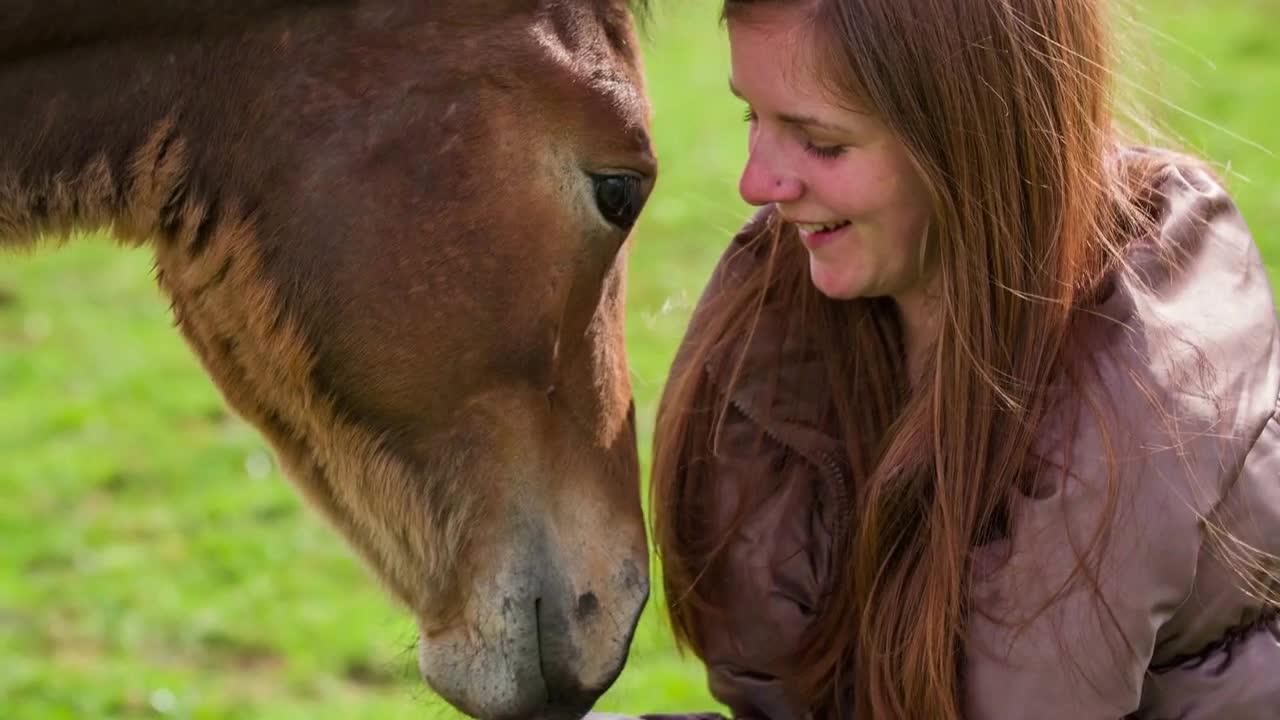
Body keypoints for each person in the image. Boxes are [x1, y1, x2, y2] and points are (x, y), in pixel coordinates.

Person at [629, 0, 1280, 718]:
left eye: (821, 142)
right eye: (754, 116)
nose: (758, 184)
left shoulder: (1142, 390)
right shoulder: (778, 310)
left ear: (972, 137)